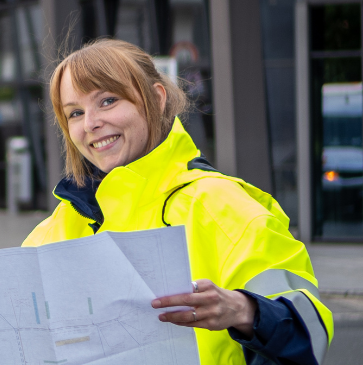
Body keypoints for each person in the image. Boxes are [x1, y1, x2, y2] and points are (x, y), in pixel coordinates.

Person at [23, 39, 333, 364]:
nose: (90, 123)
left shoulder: (222, 205)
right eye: (75, 113)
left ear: (156, 99)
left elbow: (308, 336)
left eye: (108, 101)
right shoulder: (51, 232)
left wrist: (245, 311)